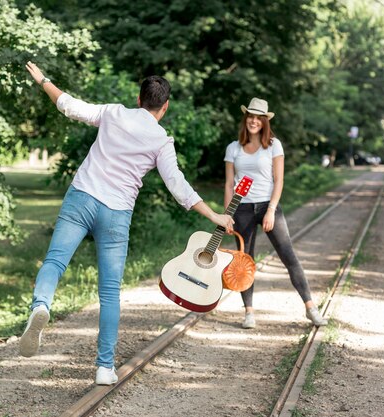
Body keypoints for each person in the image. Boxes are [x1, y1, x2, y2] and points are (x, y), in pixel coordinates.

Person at [21, 61, 235, 385]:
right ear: (165, 106)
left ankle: (41, 305)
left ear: (139, 98)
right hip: (116, 214)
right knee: (109, 292)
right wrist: (215, 216)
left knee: (55, 260)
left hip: (81, 197)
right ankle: (104, 367)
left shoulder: (113, 113)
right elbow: (178, 186)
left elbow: (68, 106)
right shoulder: (162, 141)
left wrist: (44, 80)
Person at [223, 97, 328, 329]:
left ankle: (311, 308)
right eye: (249, 116)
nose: (253, 121)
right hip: (241, 209)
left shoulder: (273, 145)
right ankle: (249, 312)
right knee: (244, 262)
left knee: (288, 256)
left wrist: (271, 209)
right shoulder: (233, 148)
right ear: (246, 119)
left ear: (264, 121)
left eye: (257, 117)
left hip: (268, 206)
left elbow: (279, 180)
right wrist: (227, 215)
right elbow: (230, 184)